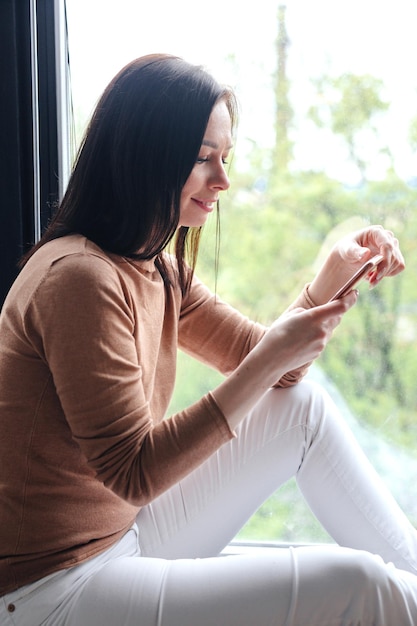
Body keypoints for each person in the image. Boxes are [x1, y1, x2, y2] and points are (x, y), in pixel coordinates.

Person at [0, 53, 415, 626]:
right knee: (361, 585)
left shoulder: (155, 270)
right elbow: (134, 471)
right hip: (50, 589)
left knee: (302, 408)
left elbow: (279, 372)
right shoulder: (78, 277)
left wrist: (333, 276)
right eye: (201, 159)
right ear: (144, 155)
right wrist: (271, 356)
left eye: (226, 157)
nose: (223, 179)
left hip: (121, 535)